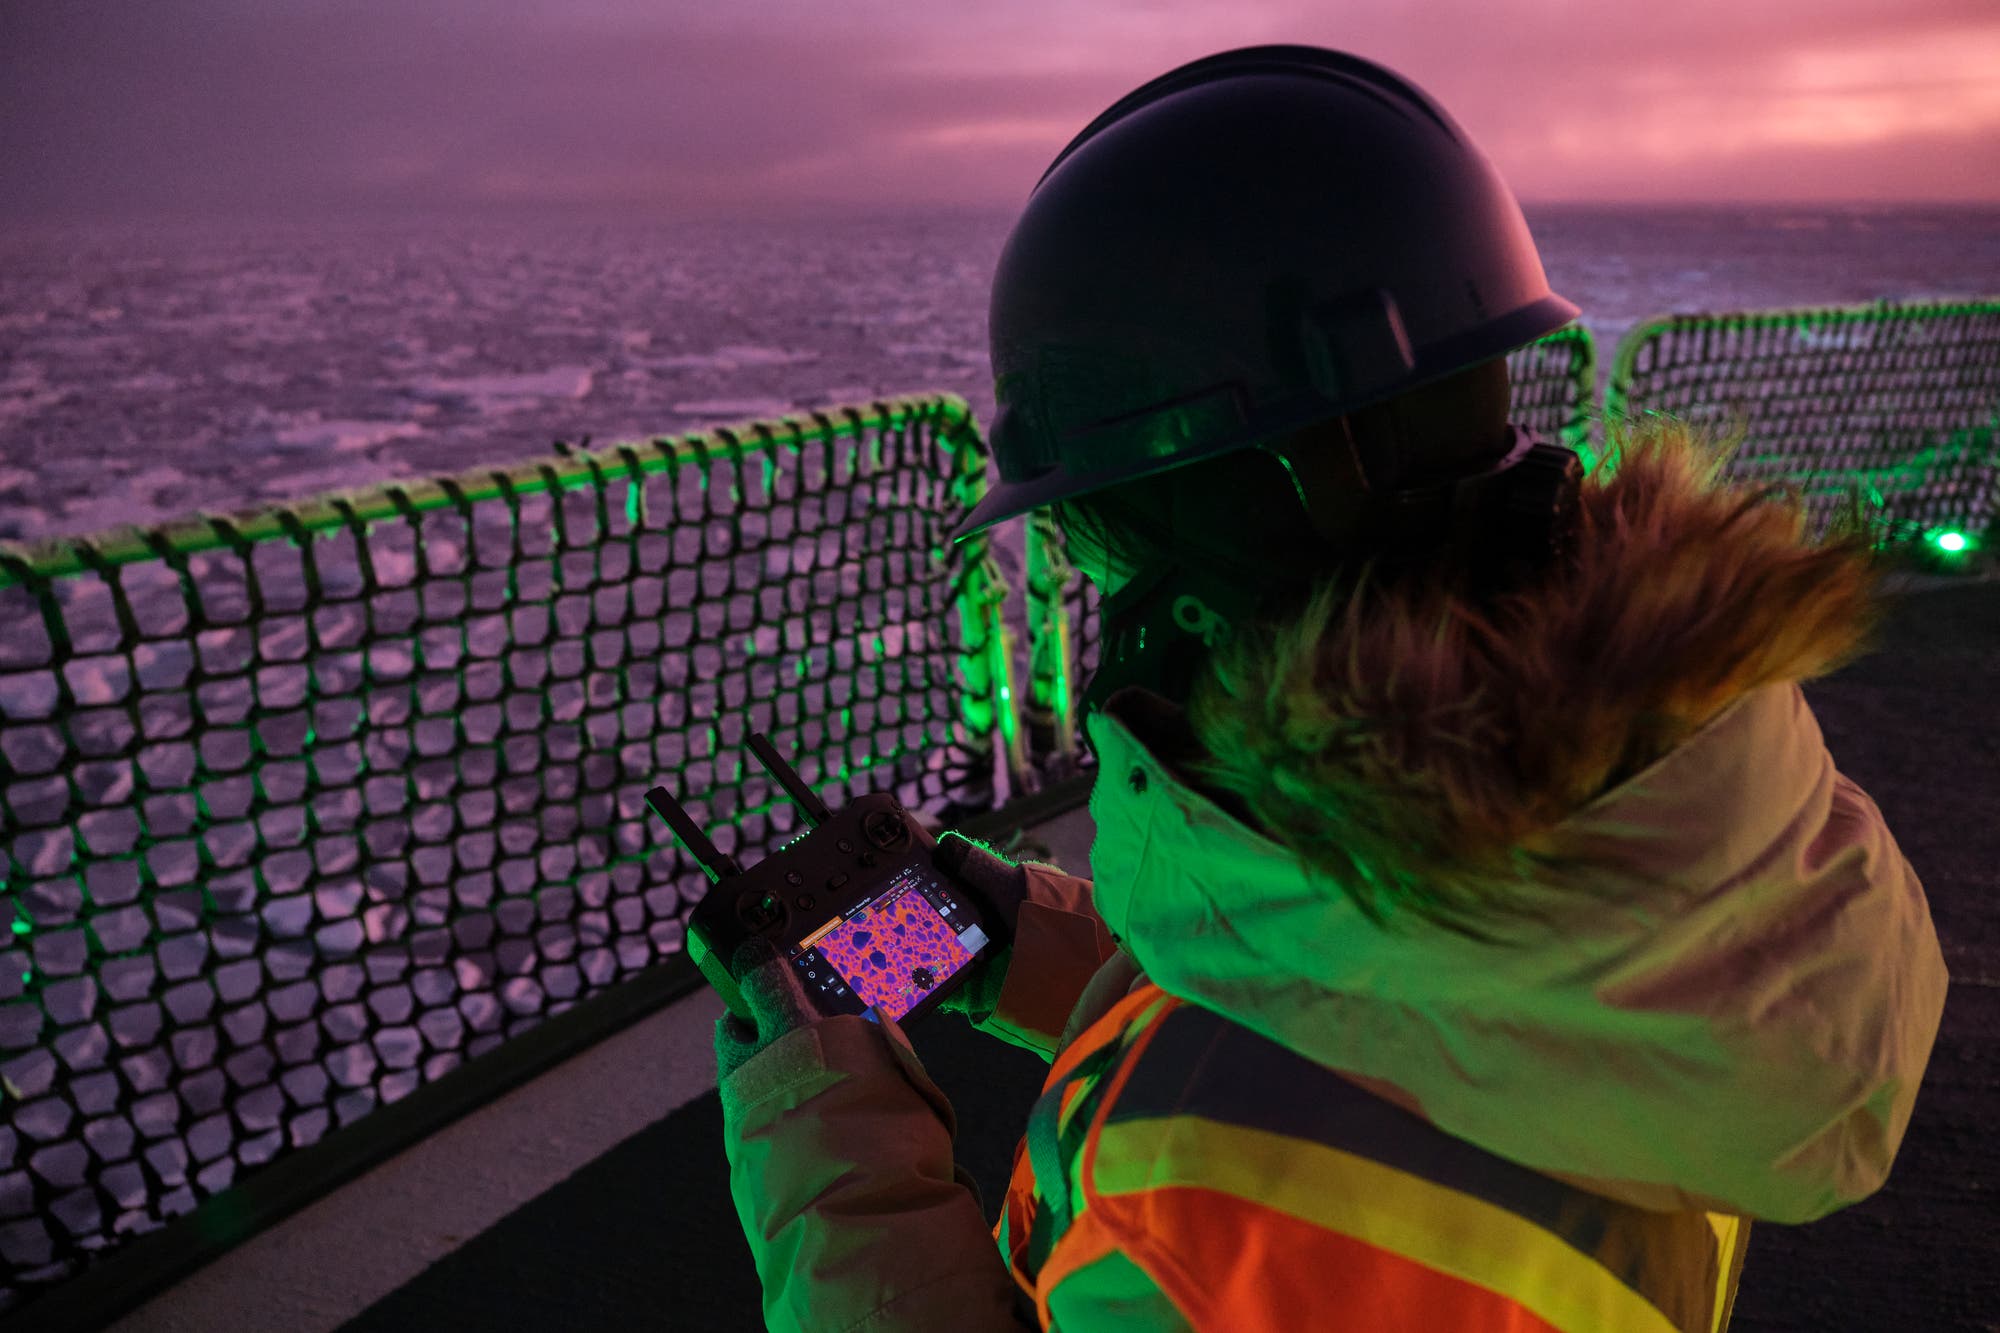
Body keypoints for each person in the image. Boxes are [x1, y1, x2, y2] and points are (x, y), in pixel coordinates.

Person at [713, 45, 1950, 1331]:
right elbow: (1395, 1014)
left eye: (1091, 528)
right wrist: (1015, 946)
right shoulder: (1679, 816)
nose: (1083, 570)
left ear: (1231, 523)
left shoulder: (1205, 1199)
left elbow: (1288, 1097)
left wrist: (830, 1150)